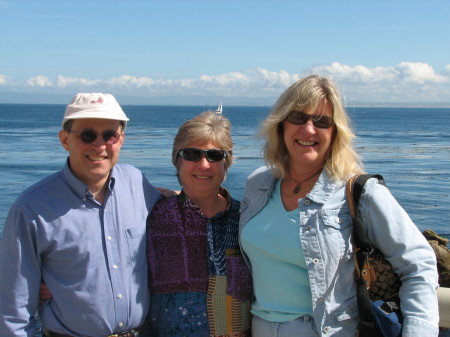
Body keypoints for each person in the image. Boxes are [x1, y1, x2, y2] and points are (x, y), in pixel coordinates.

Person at [238, 75, 440, 336]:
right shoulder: (258, 184)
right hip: (258, 328)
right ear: (281, 123)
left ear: (335, 133)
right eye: (298, 117)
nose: (308, 129)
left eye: (322, 122)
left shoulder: (360, 192)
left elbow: (418, 263)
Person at [0, 93, 160, 336]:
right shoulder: (31, 208)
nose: (99, 145)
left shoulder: (137, 183)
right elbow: (13, 310)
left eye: (109, 135)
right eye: (87, 135)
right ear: (65, 140)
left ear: (121, 140)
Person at [146, 111, 253, 337]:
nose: (204, 164)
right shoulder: (151, 218)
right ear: (177, 159)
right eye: (192, 153)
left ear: (227, 162)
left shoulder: (248, 220)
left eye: (214, 155)